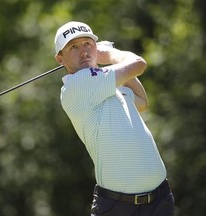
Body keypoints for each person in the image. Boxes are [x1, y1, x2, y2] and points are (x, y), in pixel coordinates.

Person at [54, 21, 174, 216]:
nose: (84, 52)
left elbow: (142, 101)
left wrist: (108, 63)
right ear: (60, 59)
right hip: (119, 207)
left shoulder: (107, 83)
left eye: (87, 44)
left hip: (159, 200)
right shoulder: (77, 85)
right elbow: (138, 64)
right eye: (74, 47)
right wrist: (109, 55)